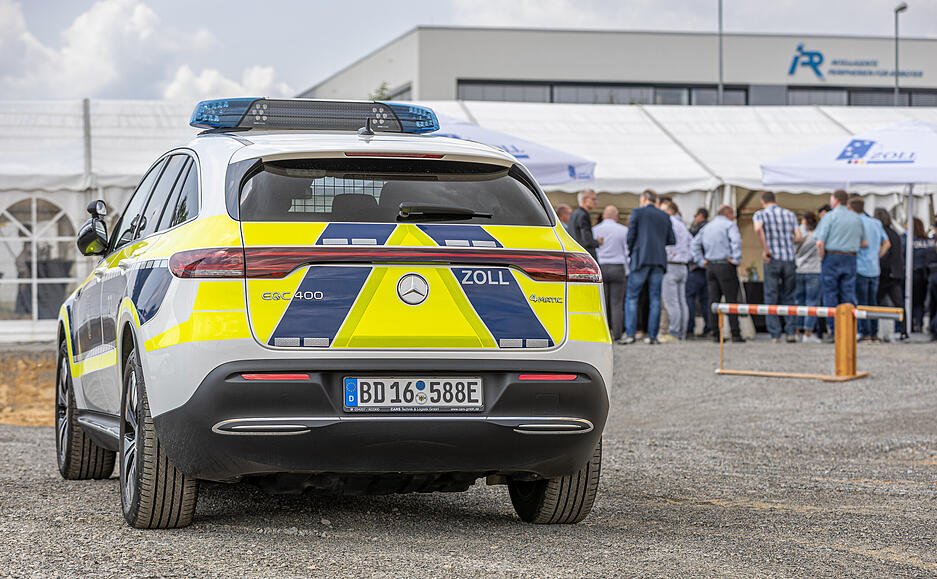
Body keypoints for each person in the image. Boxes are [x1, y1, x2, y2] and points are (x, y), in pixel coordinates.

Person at [621, 190, 675, 345]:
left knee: (632, 297)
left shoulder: (637, 212)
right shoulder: (664, 216)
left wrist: (634, 252)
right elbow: (671, 239)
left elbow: (630, 237)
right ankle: (652, 336)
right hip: (658, 260)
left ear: (644, 198)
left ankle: (630, 334)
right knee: (655, 298)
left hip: (640, 259)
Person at [813, 190, 866, 337]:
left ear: (835, 200)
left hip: (832, 257)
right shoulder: (857, 218)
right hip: (850, 258)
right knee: (848, 295)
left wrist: (822, 257)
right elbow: (864, 242)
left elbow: (819, 242)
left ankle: (835, 331)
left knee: (830, 294)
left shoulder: (830, 217)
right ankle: (850, 330)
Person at [691, 204, 745, 343]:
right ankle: (735, 334)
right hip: (726, 265)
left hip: (710, 266)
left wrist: (701, 261)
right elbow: (736, 241)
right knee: (731, 300)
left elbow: (694, 244)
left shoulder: (707, 227)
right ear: (728, 213)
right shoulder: (729, 225)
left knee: (713, 300)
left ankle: (716, 333)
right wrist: (736, 258)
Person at [752, 191, 801, 343]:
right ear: (776, 200)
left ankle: (775, 334)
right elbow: (798, 237)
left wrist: (766, 250)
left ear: (762, 201)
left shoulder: (760, 214)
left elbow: (758, 229)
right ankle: (791, 332)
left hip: (772, 259)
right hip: (789, 258)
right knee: (789, 296)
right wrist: (788, 245)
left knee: (771, 296)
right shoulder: (790, 214)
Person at [848, 197, 889, 342]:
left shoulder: (855, 223)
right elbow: (887, 243)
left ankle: (864, 333)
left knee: (862, 302)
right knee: (873, 302)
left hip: (860, 267)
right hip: (874, 267)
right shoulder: (876, 223)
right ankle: (874, 333)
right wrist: (877, 255)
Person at [592, 205, 629, 341]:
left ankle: (603, 334)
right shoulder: (624, 230)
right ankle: (617, 334)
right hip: (617, 266)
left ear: (603, 215)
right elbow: (627, 252)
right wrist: (627, 270)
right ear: (616, 216)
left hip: (600, 266)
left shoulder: (595, 230)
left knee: (602, 303)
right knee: (617, 303)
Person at [659, 199, 692, 342]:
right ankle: (682, 333)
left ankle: (674, 333)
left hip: (671, 264)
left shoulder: (668, 222)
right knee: (681, 301)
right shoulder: (682, 225)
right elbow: (692, 243)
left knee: (671, 302)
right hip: (683, 265)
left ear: (669, 211)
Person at [874, 208, 907, 341]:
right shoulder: (895, 233)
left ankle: (873, 332)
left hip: (884, 273)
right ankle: (903, 331)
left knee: (873, 303)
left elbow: (885, 254)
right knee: (899, 305)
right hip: (896, 273)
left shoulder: (880, 233)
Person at [904, 217, 936, 333]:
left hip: (910, 273)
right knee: (920, 302)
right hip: (923, 275)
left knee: (909, 301)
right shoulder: (927, 241)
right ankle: (919, 323)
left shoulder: (907, 239)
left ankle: (910, 324)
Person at [794, 211, 822, 343]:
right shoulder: (818, 233)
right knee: (812, 302)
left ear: (804, 220)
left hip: (798, 269)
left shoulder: (797, 231)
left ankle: (797, 331)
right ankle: (808, 333)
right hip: (814, 270)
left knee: (798, 301)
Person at [685, 208, 711, 338]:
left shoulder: (698, 230)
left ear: (701, 216)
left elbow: (693, 245)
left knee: (689, 298)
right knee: (706, 300)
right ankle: (709, 328)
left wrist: (700, 261)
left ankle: (690, 329)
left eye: (695, 215)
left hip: (696, 268)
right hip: (708, 269)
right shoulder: (711, 229)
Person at [568, 190, 601, 260]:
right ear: (584, 199)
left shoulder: (574, 214)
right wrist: (597, 242)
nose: (596, 202)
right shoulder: (583, 215)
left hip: (575, 254)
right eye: (593, 199)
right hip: (585, 257)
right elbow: (587, 240)